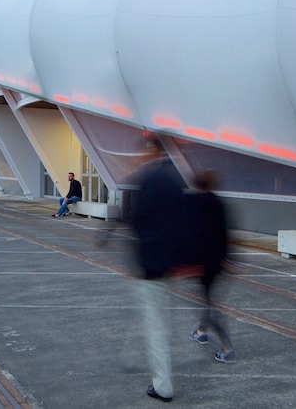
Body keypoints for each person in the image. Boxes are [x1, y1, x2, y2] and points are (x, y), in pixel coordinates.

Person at [130, 136, 189, 403]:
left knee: (156, 328)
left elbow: (138, 222)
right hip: (168, 265)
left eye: (143, 152)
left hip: (153, 264)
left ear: (153, 151)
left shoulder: (150, 180)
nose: (139, 157)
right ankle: (160, 381)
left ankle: (162, 385)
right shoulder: (175, 179)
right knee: (161, 323)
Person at [186, 170, 235, 363]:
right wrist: (227, 260)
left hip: (202, 262)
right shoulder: (219, 203)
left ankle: (227, 347)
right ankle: (201, 331)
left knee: (209, 303)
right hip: (217, 262)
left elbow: (191, 235)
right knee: (208, 298)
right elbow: (225, 234)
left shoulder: (194, 204)